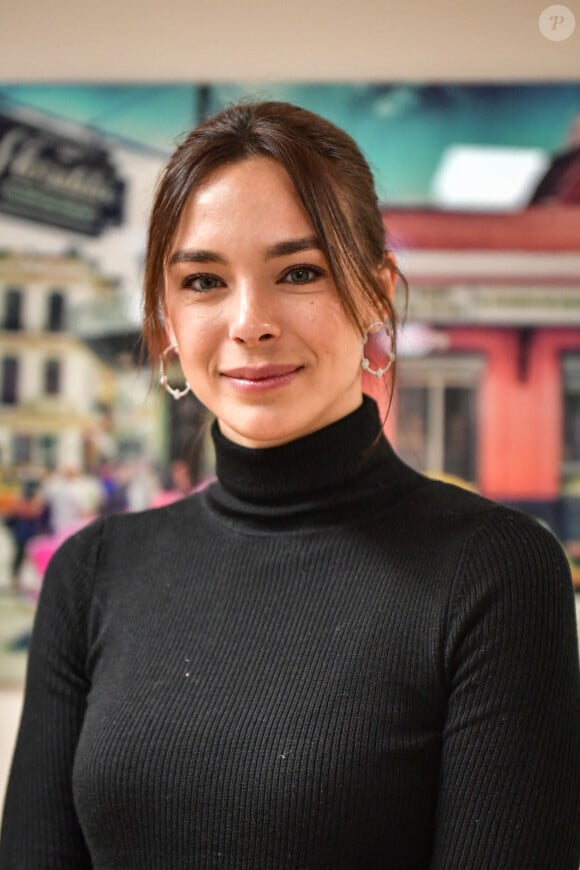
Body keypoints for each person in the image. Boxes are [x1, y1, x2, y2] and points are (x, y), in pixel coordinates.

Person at [1, 101, 579, 869]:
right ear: (168, 318)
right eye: (204, 281)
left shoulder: (494, 575)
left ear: (375, 291)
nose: (250, 322)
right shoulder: (91, 574)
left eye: (299, 272)